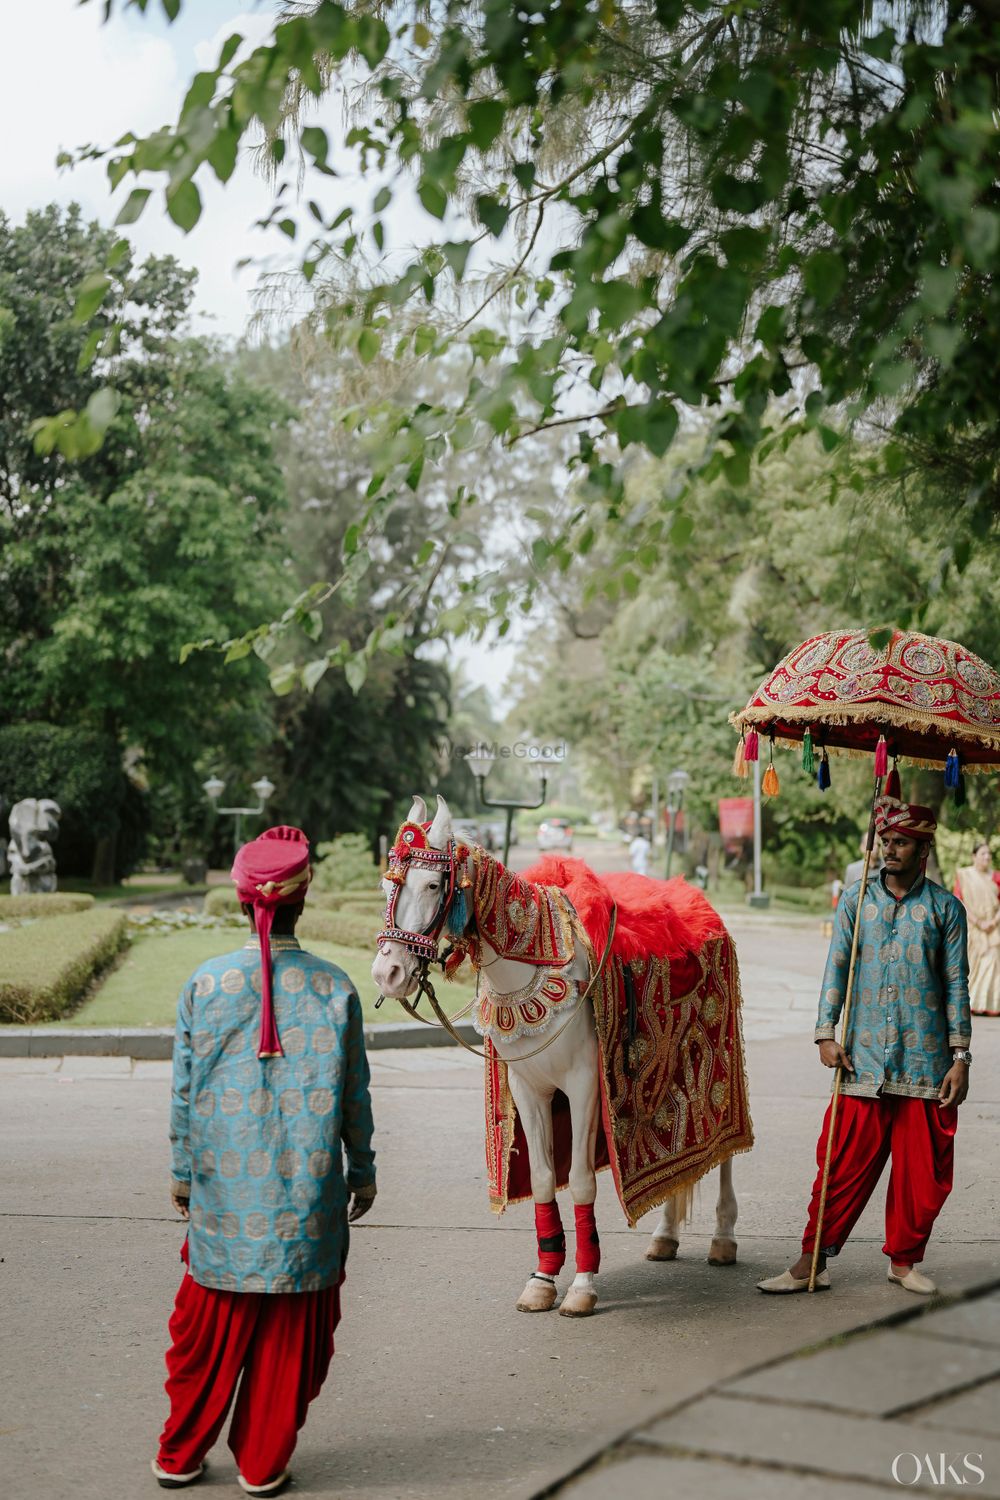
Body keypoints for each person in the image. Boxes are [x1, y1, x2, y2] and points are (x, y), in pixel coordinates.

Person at [152, 826, 376, 1496]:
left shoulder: (204, 982)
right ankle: (261, 1461)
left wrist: (184, 1174)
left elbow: (186, 1091)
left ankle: (180, 1454)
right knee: (287, 1335)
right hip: (307, 1201)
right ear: (303, 900)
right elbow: (353, 1098)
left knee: (206, 1331)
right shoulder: (335, 988)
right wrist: (361, 1172)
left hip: (223, 1201)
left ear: (243, 903)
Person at [757, 796, 971, 1298]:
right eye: (884, 840)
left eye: (899, 842)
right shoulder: (856, 900)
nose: (887, 850)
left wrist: (961, 1058)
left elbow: (957, 985)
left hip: (927, 1064)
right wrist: (825, 1033)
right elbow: (835, 968)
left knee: (922, 1177)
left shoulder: (946, 909)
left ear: (923, 848)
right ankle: (811, 1263)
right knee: (840, 1165)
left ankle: (903, 1262)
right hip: (863, 1060)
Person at [954, 842, 1000, 1017]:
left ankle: (991, 1005)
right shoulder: (965, 875)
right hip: (973, 926)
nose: (987, 857)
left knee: (993, 962)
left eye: (989, 854)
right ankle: (973, 1003)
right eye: (983, 854)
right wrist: (979, 923)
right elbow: (959, 900)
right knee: (973, 964)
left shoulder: (996, 876)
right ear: (974, 856)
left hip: (994, 927)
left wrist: (993, 922)